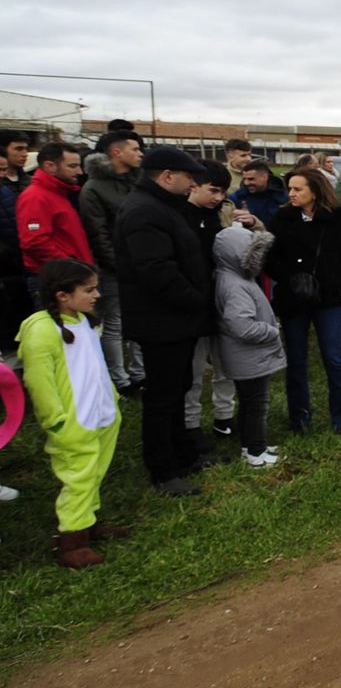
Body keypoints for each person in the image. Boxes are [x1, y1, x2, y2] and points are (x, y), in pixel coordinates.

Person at [115, 146, 212, 497]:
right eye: (188, 177)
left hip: (175, 319)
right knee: (162, 396)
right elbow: (156, 270)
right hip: (162, 321)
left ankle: (183, 454)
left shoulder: (160, 206)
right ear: (167, 176)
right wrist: (195, 300)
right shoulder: (144, 211)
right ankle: (163, 469)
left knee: (178, 386)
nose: (192, 184)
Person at [18, 258, 124, 567]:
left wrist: (112, 400)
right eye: (89, 290)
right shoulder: (41, 330)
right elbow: (38, 381)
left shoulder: (86, 320)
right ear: (62, 295)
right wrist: (56, 420)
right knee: (78, 476)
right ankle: (72, 541)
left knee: (94, 471)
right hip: (73, 421)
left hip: (101, 413)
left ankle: (87, 523)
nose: (97, 295)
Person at [266, 167, 341, 436]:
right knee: (296, 359)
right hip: (293, 299)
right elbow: (267, 255)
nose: (292, 193)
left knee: (333, 357)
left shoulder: (338, 218)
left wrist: (338, 274)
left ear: (315, 190)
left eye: (298, 188)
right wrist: (289, 277)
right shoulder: (282, 218)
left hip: (329, 299)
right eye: (290, 188)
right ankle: (299, 417)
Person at [77, 131, 146, 396]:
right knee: (115, 323)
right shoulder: (94, 189)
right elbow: (99, 234)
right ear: (116, 152)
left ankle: (141, 373)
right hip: (114, 268)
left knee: (139, 319)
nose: (140, 153)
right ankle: (120, 378)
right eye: (135, 149)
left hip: (141, 263)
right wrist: (118, 266)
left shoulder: (137, 181)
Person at [212, 225, 285, 468]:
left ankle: (250, 446)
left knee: (249, 402)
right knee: (256, 405)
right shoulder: (235, 286)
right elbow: (241, 326)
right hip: (249, 357)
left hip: (247, 357)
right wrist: (271, 331)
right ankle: (256, 452)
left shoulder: (236, 277)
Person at [181, 161, 237, 458]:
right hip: (194, 302)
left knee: (225, 364)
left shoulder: (224, 213)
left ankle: (224, 417)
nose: (218, 197)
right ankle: (190, 424)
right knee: (193, 369)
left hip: (224, 300)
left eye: (223, 191)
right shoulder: (179, 216)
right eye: (213, 190)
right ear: (193, 186)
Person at [18, 141, 91, 304]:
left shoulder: (58, 194)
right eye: (72, 166)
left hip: (68, 278)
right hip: (57, 281)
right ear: (50, 165)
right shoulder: (36, 197)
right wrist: (70, 268)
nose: (79, 172)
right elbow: (35, 242)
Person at [233, 161, 289, 226]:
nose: (246, 183)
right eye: (244, 179)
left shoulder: (284, 196)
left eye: (251, 179)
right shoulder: (236, 198)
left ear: (265, 177)